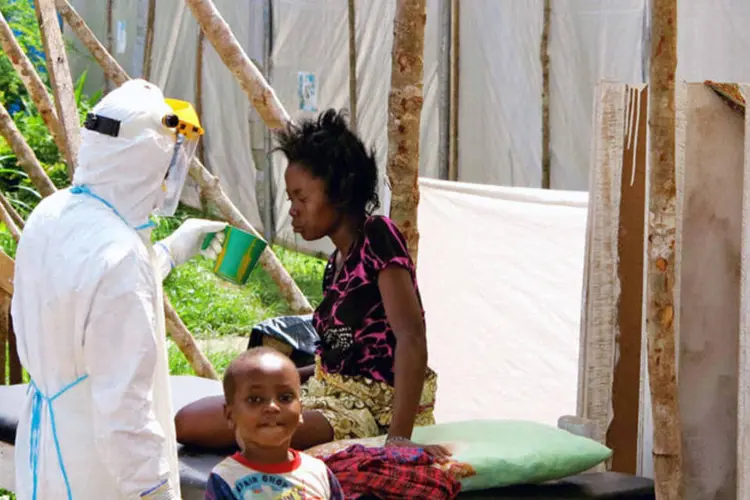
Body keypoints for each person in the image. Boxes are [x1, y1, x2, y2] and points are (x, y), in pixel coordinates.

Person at [176, 109, 450, 460]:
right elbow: (335, 360)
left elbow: (412, 337)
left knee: (235, 426)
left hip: (372, 412)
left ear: (340, 191)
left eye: (301, 198)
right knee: (193, 417)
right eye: (291, 199)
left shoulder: (378, 237)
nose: (293, 210)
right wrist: (275, 381)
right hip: (325, 392)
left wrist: (397, 440)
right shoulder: (335, 264)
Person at [12, 79, 228, 499]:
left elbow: (81, 294)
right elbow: (126, 414)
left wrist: (170, 250)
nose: (169, 179)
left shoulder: (53, 211)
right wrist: (155, 491)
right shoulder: (121, 258)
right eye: (168, 162)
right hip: (97, 469)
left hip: (44, 444)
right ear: (145, 161)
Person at [206, 347, 344, 499]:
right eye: (255, 399)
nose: (272, 407)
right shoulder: (225, 479)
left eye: (285, 397)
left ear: (300, 412)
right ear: (230, 415)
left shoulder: (319, 473)